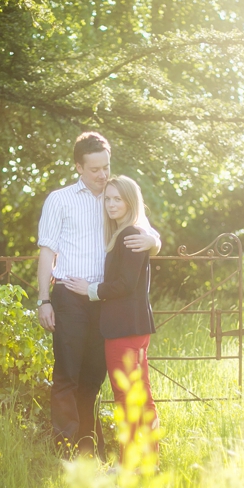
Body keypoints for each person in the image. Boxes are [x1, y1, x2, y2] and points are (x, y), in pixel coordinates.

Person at [37, 132, 160, 458]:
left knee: (93, 377)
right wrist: (43, 299)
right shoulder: (60, 199)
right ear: (79, 166)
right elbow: (47, 252)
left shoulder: (114, 196)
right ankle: (64, 450)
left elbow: (146, 229)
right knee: (67, 374)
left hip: (105, 300)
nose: (102, 174)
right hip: (69, 296)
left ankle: (88, 447)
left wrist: (154, 242)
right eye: (95, 169)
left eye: (106, 167)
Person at [64, 175, 159, 463]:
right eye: (108, 198)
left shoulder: (131, 233)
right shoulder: (125, 232)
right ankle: (147, 461)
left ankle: (129, 464)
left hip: (124, 329)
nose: (111, 204)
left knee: (126, 396)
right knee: (139, 394)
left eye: (118, 198)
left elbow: (125, 285)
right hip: (133, 326)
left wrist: (90, 290)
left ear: (131, 201)